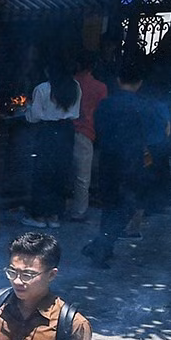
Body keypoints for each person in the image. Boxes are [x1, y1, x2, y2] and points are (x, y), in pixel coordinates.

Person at [83, 61, 168, 268]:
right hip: (132, 162)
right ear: (139, 83)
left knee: (110, 204)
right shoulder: (144, 106)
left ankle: (102, 246)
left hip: (108, 160)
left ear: (119, 80)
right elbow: (156, 136)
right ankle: (101, 247)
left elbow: (98, 129)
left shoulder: (106, 104)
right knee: (126, 206)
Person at [22, 60, 81, 228]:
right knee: (60, 172)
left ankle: (39, 216)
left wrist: (27, 109)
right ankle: (55, 216)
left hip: (48, 132)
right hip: (67, 132)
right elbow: (75, 113)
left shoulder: (42, 89)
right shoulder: (75, 87)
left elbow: (35, 116)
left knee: (42, 173)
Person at [66, 50, 108, 223]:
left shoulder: (68, 82)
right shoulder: (100, 87)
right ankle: (79, 211)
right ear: (93, 66)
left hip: (63, 130)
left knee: (61, 170)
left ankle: (60, 206)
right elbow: (101, 113)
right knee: (82, 175)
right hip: (85, 132)